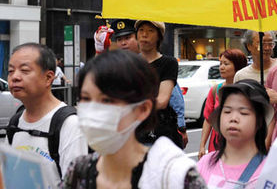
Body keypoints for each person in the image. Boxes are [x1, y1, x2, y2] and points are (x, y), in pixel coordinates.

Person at [61, 50, 206, 188]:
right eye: (86, 98)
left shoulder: (178, 177)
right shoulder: (79, 171)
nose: (93, 109)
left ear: (142, 109)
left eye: (107, 100)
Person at [6, 43, 88, 179]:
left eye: (24, 70)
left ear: (49, 78)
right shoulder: (15, 122)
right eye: (10, 71)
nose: (15, 77)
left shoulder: (70, 124)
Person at [197, 79, 273, 188]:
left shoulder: (270, 173)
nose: (233, 118)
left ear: (260, 121)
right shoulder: (205, 163)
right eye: (227, 111)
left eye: (243, 113)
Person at [135, 20, 183, 148]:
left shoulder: (169, 63)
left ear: (159, 36)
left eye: (150, 31)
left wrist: (130, 107)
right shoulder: (130, 63)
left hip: (159, 133)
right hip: (133, 134)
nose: (144, 34)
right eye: (141, 30)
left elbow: (162, 101)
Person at [199, 49, 247, 159]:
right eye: (220, 63)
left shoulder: (246, 90)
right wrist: (202, 146)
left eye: (226, 64)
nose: (221, 67)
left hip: (240, 143)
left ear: (238, 66)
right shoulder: (215, 89)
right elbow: (208, 120)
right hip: (216, 145)